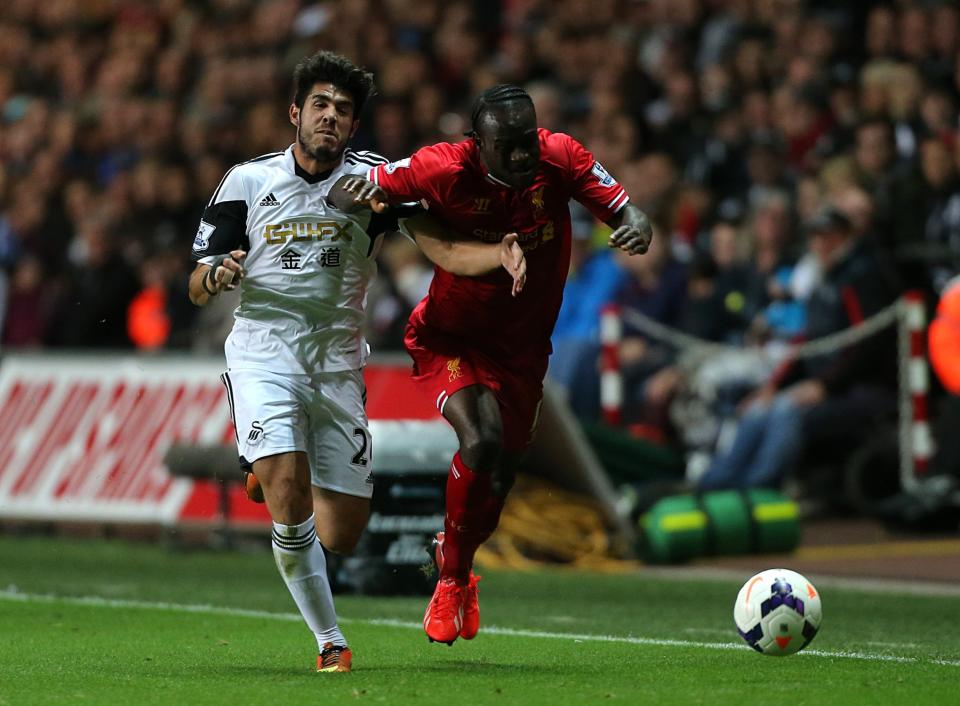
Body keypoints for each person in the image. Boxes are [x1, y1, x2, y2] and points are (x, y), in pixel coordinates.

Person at [187, 53, 526, 673]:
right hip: (263, 351)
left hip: (338, 363)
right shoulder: (247, 181)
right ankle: (329, 640)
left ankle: (272, 462)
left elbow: (442, 248)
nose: (330, 116)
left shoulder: (376, 184)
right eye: (319, 104)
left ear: (353, 125)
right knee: (290, 495)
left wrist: (498, 254)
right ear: (295, 113)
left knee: (342, 532)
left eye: (343, 110)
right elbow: (196, 281)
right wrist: (215, 274)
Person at [340, 84, 653, 645]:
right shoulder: (440, 167)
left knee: (501, 474)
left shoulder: (561, 156)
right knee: (480, 441)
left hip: (524, 351)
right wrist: (362, 198)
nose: (520, 155)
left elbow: (629, 209)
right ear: (476, 143)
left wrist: (635, 225)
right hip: (452, 337)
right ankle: (452, 580)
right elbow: (361, 185)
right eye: (505, 145)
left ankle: (453, 556)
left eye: (526, 141)